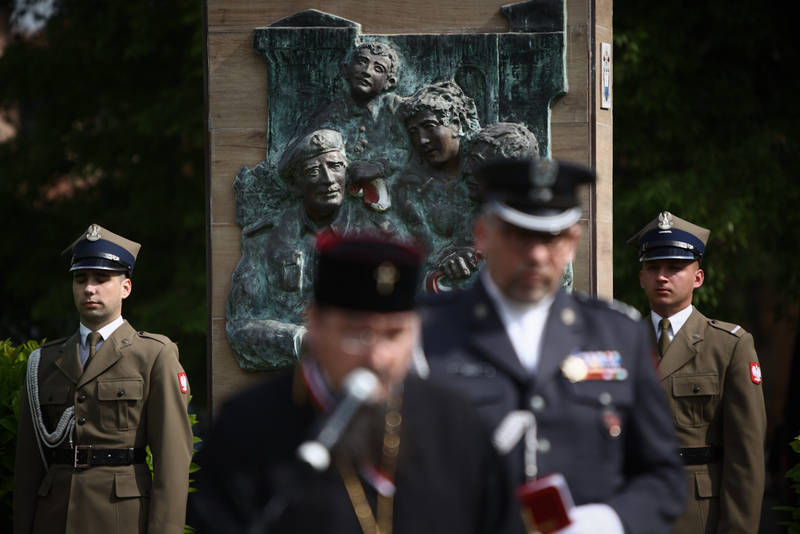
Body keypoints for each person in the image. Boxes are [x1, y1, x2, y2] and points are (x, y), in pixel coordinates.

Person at [191, 234, 526, 534]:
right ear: (316, 326)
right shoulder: (247, 426)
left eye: (394, 334)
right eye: (355, 333)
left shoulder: (454, 422)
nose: (377, 358)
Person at [422, 157, 687, 534]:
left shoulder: (617, 334)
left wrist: (608, 521)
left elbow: (663, 476)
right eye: (518, 235)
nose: (536, 255)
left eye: (551, 238)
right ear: (483, 234)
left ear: (572, 243)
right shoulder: (425, 332)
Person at [14, 224, 194, 534]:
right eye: (80, 279)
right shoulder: (44, 361)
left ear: (126, 288)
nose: (89, 289)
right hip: (54, 516)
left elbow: (172, 461)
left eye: (101, 279)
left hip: (122, 518)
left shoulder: (154, 356)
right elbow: (28, 466)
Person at [628, 211, 766, 533]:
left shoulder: (729, 346)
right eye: (653, 267)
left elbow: (745, 456)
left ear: (698, 278)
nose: (662, 277)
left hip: (698, 515)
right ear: (641, 278)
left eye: (675, 268)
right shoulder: (619, 343)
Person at [226, 129, 394, 371]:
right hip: (288, 381)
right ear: (295, 184)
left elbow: (398, 322)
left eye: (336, 167)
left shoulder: (376, 237)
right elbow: (240, 325)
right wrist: (300, 342)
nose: (328, 179)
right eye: (314, 171)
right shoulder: (264, 240)